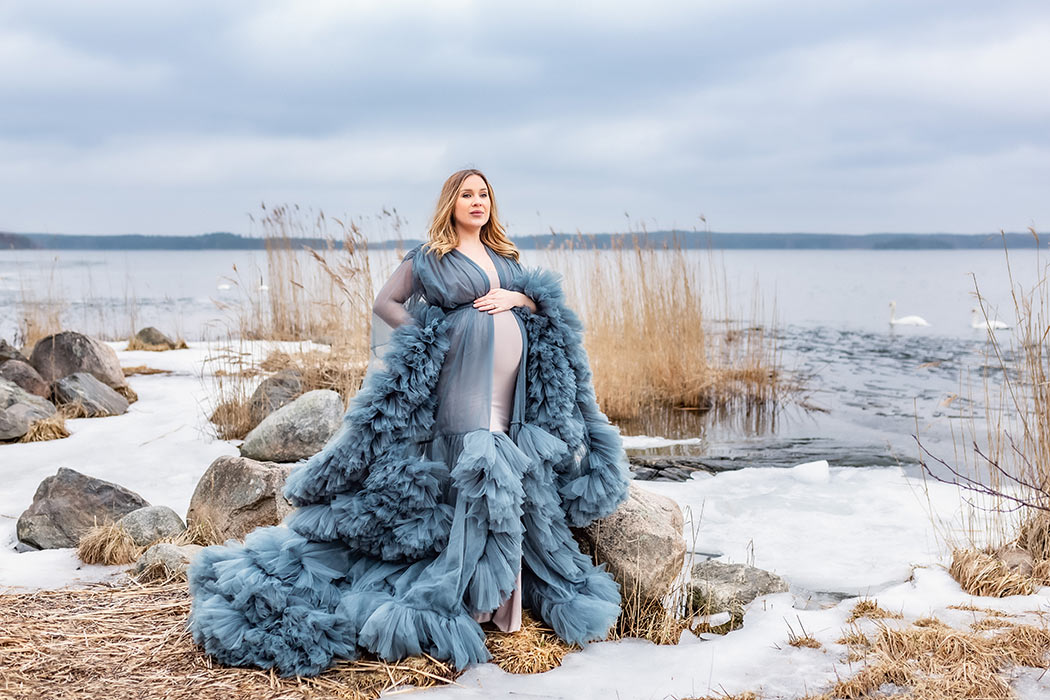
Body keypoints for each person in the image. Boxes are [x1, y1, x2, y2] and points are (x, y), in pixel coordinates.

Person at [188, 168, 631, 677]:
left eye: (483, 193)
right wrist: (432, 335)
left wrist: (520, 299)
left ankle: (502, 596)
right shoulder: (429, 258)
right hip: (461, 384)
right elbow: (385, 304)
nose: (477, 201)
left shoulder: (507, 259)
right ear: (451, 203)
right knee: (478, 468)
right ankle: (474, 602)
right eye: (467, 194)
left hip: (513, 392)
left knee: (509, 472)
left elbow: (539, 307)